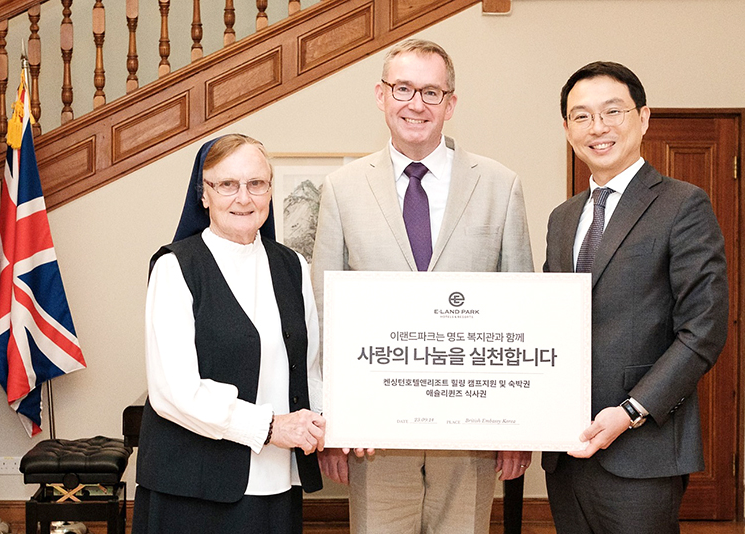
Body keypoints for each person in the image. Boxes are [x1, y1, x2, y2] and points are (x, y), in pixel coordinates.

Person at [311, 39, 534, 534]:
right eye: (404, 88)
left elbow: (522, 312)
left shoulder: (500, 185)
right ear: (381, 96)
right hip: (374, 433)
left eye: (431, 92)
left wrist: (521, 425)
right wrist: (333, 423)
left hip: (472, 430)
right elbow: (325, 312)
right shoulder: (342, 189)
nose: (416, 103)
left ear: (451, 103)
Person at [541, 61, 728, 534]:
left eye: (612, 111)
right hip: (567, 450)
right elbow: (546, 321)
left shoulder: (683, 204)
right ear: (566, 128)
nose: (597, 128)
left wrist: (629, 412)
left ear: (643, 118)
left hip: (641, 450)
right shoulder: (562, 218)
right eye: (580, 116)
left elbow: (703, 329)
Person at [133, 134, 326, 534]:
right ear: (203, 195)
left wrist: (338, 426)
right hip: (193, 489)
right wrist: (271, 427)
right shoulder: (175, 268)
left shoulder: (292, 267)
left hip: (274, 481)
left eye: (256, 184)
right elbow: (173, 391)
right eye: (227, 185)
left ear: (270, 191)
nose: (244, 198)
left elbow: (308, 372)